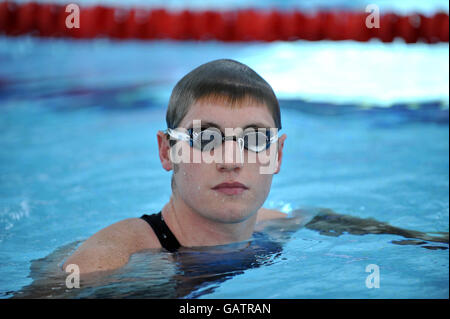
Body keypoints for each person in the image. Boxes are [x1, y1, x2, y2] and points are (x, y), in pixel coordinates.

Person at [62, 59, 448, 277]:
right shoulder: (112, 259)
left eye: (254, 139)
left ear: (277, 154)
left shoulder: (271, 223)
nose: (231, 160)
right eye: (206, 138)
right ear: (167, 152)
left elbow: (321, 219)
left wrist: (423, 238)